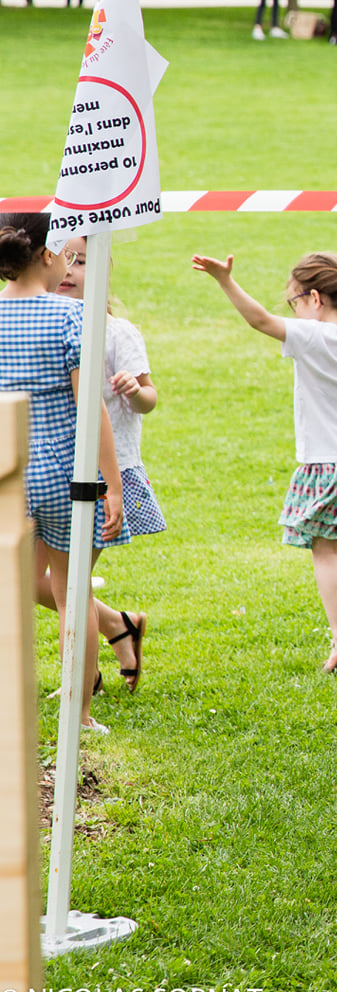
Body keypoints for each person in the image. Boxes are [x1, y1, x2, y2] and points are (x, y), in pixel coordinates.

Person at [192, 212, 337, 673]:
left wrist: (225, 280)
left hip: (326, 462)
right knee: (334, 529)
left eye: (294, 302)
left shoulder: (313, 336)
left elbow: (259, 321)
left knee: (321, 545)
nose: (292, 311)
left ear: (313, 298)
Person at [1, 214, 125, 731]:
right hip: (60, 473)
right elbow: (88, 406)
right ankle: (81, 713)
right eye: (69, 257)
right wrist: (112, 483)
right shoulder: (69, 316)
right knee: (73, 595)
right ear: (50, 255)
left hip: (7, 466)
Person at [42, 238, 163, 696]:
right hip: (50, 473)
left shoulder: (117, 331)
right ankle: (118, 624)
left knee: (69, 588)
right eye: (63, 259)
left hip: (104, 475)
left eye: (84, 261)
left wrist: (135, 390)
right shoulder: (48, 326)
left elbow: (150, 399)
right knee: (39, 580)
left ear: (104, 272)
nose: (71, 269)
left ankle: (81, 684)